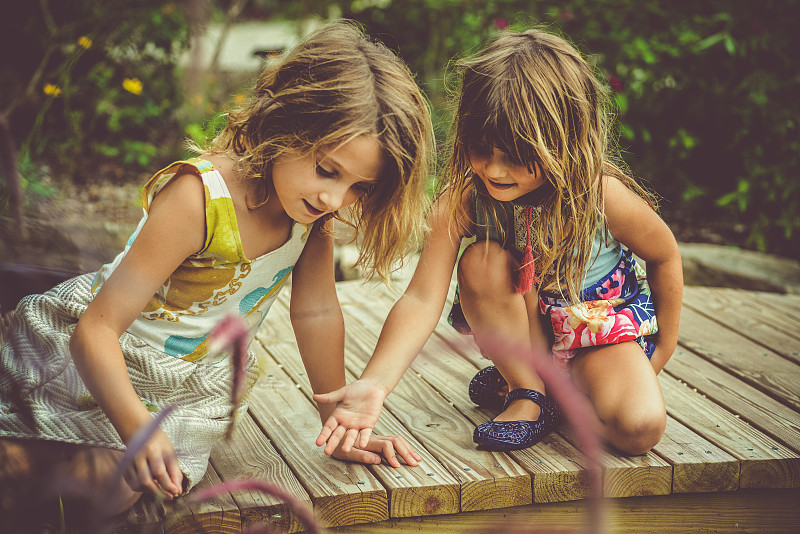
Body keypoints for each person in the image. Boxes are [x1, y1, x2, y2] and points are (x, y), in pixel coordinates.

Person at [0, 19, 431, 520]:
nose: (334, 198)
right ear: (285, 123)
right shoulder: (198, 199)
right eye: (327, 170)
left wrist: (337, 420)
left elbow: (315, 311)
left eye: (360, 187)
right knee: (73, 473)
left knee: (131, 486)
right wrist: (137, 425)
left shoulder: (313, 214)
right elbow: (95, 330)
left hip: (189, 387)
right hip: (99, 363)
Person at [314, 27, 682, 456]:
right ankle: (528, 389)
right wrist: (375, 382)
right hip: (520, 334)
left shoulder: (601, 196)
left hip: (597, 330)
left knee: (638, 430)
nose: (494, 170)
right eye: (481, 149)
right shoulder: (462, 201)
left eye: (516, 155)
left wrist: (662, 350)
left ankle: (559, 391)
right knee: (482, 260)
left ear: (564, 141)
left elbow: (665, 254)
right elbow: (420, 299)